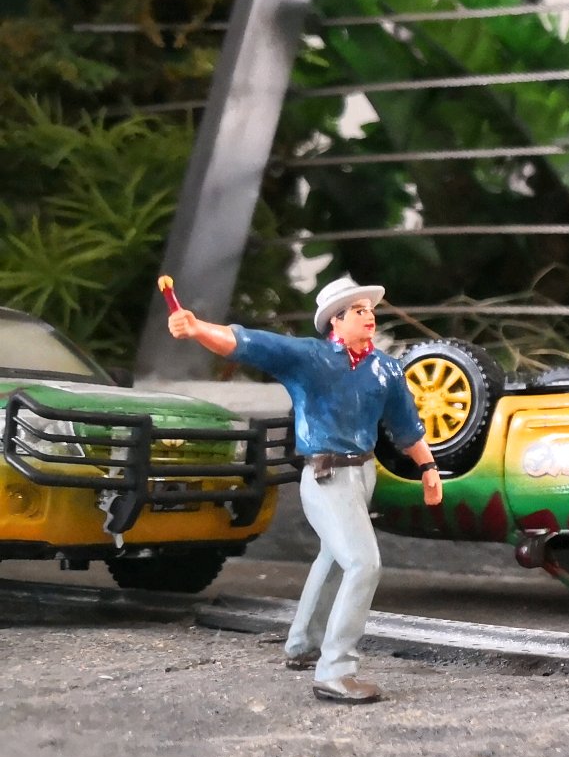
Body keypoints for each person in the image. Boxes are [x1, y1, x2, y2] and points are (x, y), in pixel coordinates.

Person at [167, 277, 442, 705]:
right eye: (358, 311)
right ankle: (336, 671)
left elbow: (406, 426)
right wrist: (198, 328)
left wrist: (427, 466)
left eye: (370, 309)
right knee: (363, 564)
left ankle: (302, 643)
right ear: (336, 321)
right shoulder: (309, 358)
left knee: (335, 559)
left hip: (363, 473)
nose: (369, 316)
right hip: (326, 476)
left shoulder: (385, 369)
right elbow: (248, 344)